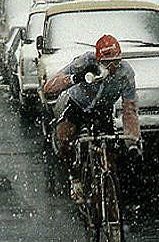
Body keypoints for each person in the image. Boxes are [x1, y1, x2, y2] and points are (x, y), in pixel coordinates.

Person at [44, 34, 141, 202]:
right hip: (78, 105)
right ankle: (75, 177)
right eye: (106, 63)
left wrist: (132, 141)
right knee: (64, 136)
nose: (112, 67)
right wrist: (75, 78)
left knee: (110, 153)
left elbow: (129, 109)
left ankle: (108, 190)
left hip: (102, 111)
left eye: (116, 62)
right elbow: (49, 87)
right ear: (98, 60)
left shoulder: (125, 73)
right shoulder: (85, 61)